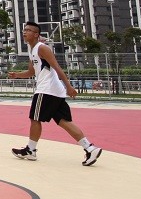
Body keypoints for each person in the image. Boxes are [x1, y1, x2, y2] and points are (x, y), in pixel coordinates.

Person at [8, 21, 104, 166]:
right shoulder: (32, 50)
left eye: (27, 30)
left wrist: (69, 86)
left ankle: (30, 150)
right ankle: (90, 148)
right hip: (55, 92)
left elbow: (57, 67)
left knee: (35, 118)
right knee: (64, 122)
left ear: (36, 34)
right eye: (24, 30)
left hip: (47, 90)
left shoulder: (42, 48)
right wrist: (17, 75)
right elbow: (31, 72)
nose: (24, 32)